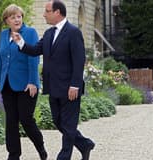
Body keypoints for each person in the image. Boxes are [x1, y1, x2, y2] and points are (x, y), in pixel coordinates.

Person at [11, 0, 95, 160]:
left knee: (69, 125)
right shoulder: (49, 33)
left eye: (47, 11)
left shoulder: (73, 32)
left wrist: (75, 85)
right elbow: (35, 50)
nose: (44, 14)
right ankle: (84, 144)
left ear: (57, 12)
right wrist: (20, 41)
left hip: (70, 88)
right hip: (53, 87)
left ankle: (63, 157)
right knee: (59, 122)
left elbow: (79, 61)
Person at [0, 4, 48, 160]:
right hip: (7, 85)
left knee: (26, 120)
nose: (17, 19)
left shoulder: (30, 32)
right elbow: (0, 60)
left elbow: (33, 58)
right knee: (11, 121)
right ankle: (13, 155)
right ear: (6, 20)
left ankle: (41, 149)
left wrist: (33, 81)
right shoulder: (3, 35)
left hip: (26, 85)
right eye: (13, 17)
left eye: (19, 16)